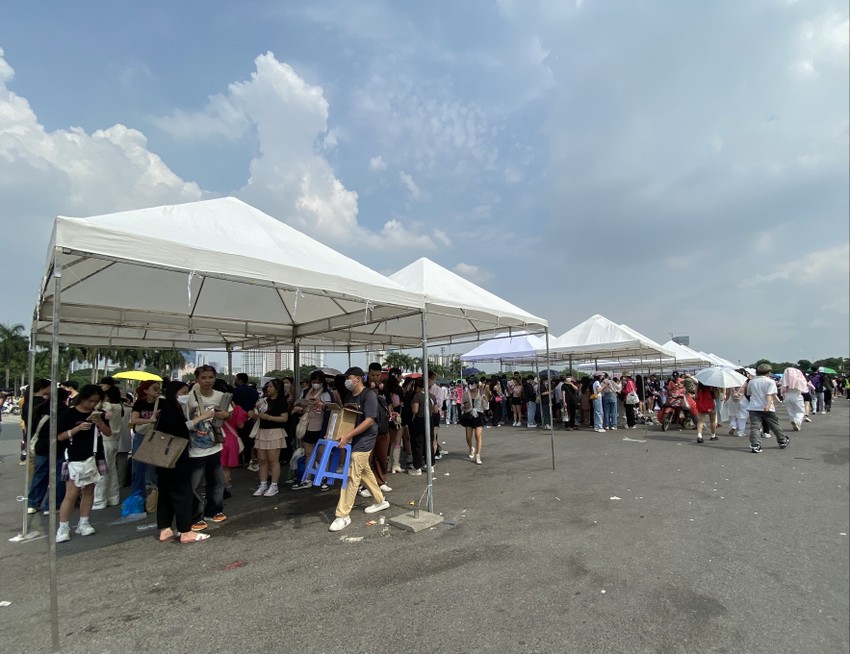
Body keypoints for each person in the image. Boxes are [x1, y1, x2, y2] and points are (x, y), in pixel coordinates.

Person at [328, 367, 389, 532]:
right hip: (354, 438)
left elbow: (369, 420)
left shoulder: (368, 395)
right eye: (347, 377)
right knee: (364, 472)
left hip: (366, 439)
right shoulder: (350, 395)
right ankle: (380, 500)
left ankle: (343, 514)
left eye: (350, 377)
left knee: (352, 475)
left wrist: (348, 436)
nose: (348, 380)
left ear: (359, 379)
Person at [154, 381, 215, 543]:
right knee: (182, 493)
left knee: (165, 493)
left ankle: (165, 529)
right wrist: (200, 419)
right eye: (184, 391)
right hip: (175, 456)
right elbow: (180, 429)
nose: (186, 394)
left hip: (162, 456)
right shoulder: (172, 409)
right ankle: (186, 531)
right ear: (175, 392)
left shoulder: (166, 408)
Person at [56, 385, 112, 543]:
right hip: (74, 457)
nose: (92, 404)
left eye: (96, 401)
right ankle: (63, 527)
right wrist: (78, 428)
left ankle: (84, 522)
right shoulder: (69, 413)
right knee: (72, 494)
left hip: (94, 456)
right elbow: (60, 436)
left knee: (89, 490)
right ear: (82, 398)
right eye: (90, 401)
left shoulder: (98, 414)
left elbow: (108, 433)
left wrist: (100, 421)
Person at [186, 365, 232, 530]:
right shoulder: (190, 398)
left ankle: (214, 510)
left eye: (210, 377)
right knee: (194, 484)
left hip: (215, 446)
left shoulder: (221, 396)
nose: (207, 381)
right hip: (195, 447)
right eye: (203, 378)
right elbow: (186, 422)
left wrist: (225, 415)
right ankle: (195, 516)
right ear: (197, 379)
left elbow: (229, 413)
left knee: (217, 481)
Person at [27, 388, 70, 516]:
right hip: (60, 446)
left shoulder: (39, 409)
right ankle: (52, 505)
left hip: (42, 446)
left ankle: (33, 503)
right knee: (58, 477)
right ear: (65, 398)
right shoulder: (65, 411)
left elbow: (33, 427)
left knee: (39, 475)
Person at [291, 370, 333, 490]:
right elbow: (301, 404)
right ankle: (307, 478)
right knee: (309, 454)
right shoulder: (305, 392)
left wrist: (322, 404)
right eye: (314, 381)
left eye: (318, 382)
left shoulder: (326, 393)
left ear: (322, 382)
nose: (316, 384)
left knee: (322, 454)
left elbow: (332, 408)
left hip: (321, 426)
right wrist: (300, 407)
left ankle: (324, 478)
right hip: (308, 425)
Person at [249, 378, 288, 498]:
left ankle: (274, 485)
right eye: (268, 386)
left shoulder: (282, 401)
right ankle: (263, 484)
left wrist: (269, 417)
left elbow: (284, 418)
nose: (268, 388)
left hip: (275, 432)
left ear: (277, 389)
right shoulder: (264, 400)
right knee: (262, 460)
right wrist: (255, 414)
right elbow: (258, 415)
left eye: (271, 386)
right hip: (262, 431)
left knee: (273, 460)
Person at [214, 379, 248, 498]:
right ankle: (223, 490)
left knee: (215, 467)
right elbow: (241, 425)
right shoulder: (236, 408)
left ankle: (214, 488)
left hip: (215, 438)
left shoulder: (212, 408)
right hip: (230, 440)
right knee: (226, 468)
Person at [745, 364, 789, 454]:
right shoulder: (770, 382)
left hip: (754, 407)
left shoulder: (752, 381)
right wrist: (768, 405)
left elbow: (749, 393)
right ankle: (782, 440)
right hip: (767, 407)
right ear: (768, 372)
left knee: (755, 427)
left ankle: (755, 444)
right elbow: (769, 395)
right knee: (774, 425)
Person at [93, 385, 124, 509]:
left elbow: (98, 408)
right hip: (114, 440)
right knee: (112, 470)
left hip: (106, 440)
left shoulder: (109, 406)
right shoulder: (119, 406)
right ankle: (113, 497)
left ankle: (100, 500)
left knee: (102, 471)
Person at [129, 380, 162, 499]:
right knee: (138, 464)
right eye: (154, 388)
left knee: (153, 466)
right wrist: (150, 419)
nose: (158, 391)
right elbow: (134, 420)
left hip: (157, 436)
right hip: (141, 435)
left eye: (159, 388)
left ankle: (153, 494)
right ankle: (137, 494)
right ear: (145, 391)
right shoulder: (140, 403)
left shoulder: (163, 402)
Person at [232, 372, 260, 466]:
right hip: (249, 417)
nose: (235, 381)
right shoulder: (254, 392)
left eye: (236, 379)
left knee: (238, 438)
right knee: (248, 440)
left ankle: (239, 460)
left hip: (237, 418)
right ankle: (247, 460)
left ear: (240, 380)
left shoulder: (235, 391)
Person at [21, 378, 51, 464]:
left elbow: (24, 418)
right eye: (49, 387)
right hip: (41, 437)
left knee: (32, 462)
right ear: (43, 388)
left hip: (30, 435)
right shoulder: (46, 403)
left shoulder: (27, 402)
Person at [407, 376, 431, 476]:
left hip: (418, 421)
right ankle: (428, 464)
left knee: (417, 444)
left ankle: (417, 467)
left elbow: (415, 410)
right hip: (428, 420)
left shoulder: (416, 396)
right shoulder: (429, 396)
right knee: (427, 444)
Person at [462, 378, 485, 464]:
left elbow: (486, 407)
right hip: (469, 415)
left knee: (478, 435)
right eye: (470, 384)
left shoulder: (481, 393)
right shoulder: (466, 394)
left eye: (473, 384)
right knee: (468, 437)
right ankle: (471, 447)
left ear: (477, 385)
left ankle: (478, 455)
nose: (472, 386)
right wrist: (465, 406)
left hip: (479, 415)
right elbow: (462, 406)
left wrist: (486, 400)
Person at [781, 367, 807, 431]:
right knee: (800, 411)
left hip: (787, 396)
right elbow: (804, 389)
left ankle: (793, 421)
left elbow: (782, 389)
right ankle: (797, 421)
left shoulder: (784, 379)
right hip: (796, 395)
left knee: (791, 411)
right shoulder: (800, 379)